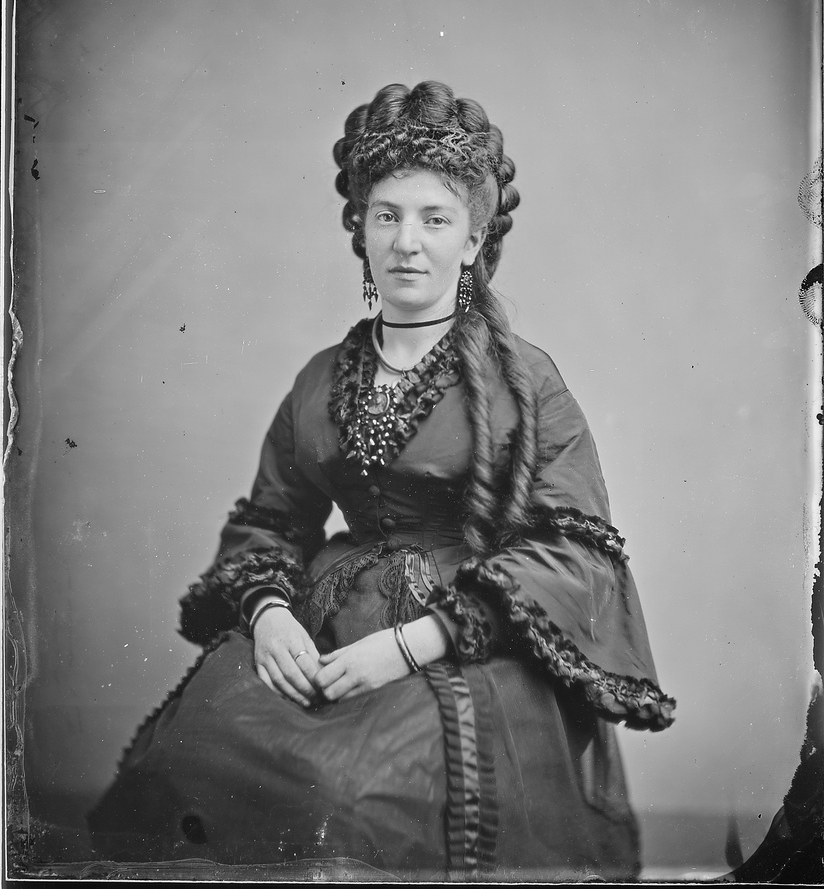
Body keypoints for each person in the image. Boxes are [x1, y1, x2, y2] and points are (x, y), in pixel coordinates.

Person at [88, 80, 675, 880]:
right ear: (360, 230)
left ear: (472, 241)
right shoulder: (320, 378)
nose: (408, 242)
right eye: (387, 216)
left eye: (435, 219)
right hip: (325, 622)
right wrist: (268, 615)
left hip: (467, 643)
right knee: (188, 762)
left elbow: (577, 554)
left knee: (351, 802)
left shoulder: (524, 380)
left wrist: (410, 644)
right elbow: (271, 520)